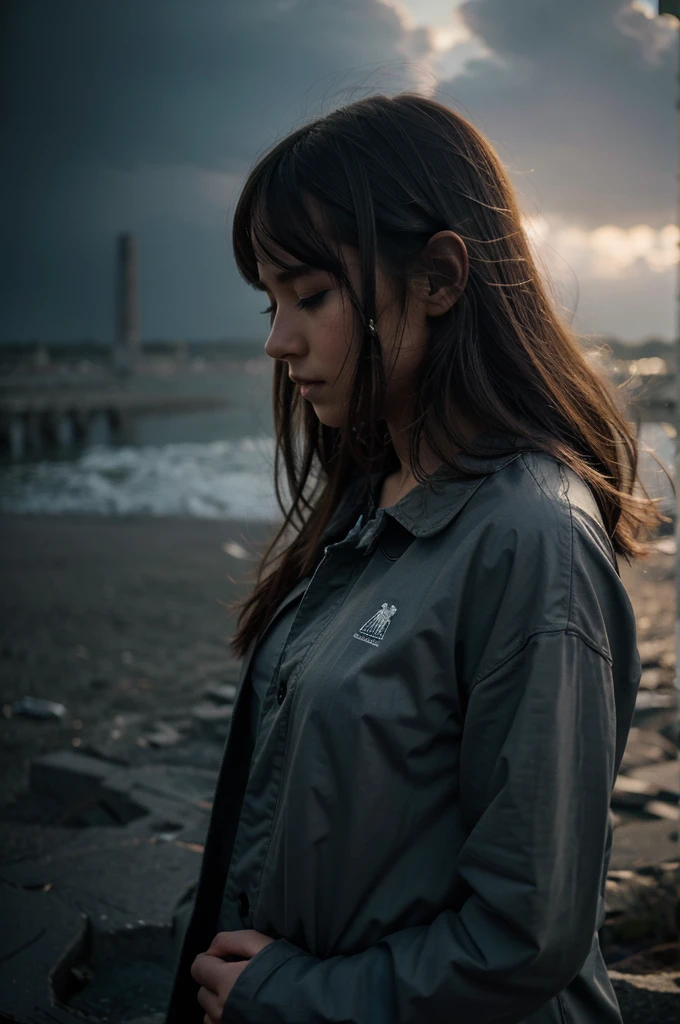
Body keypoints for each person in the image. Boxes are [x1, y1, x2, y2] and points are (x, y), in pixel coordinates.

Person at [165, 93, 666, 1024]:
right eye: (271, 302)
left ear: (439, 276)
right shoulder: (370, 502)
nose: (279, 341)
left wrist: (289, 997)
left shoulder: (533, 541)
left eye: (310, 296)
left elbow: (526, 934)